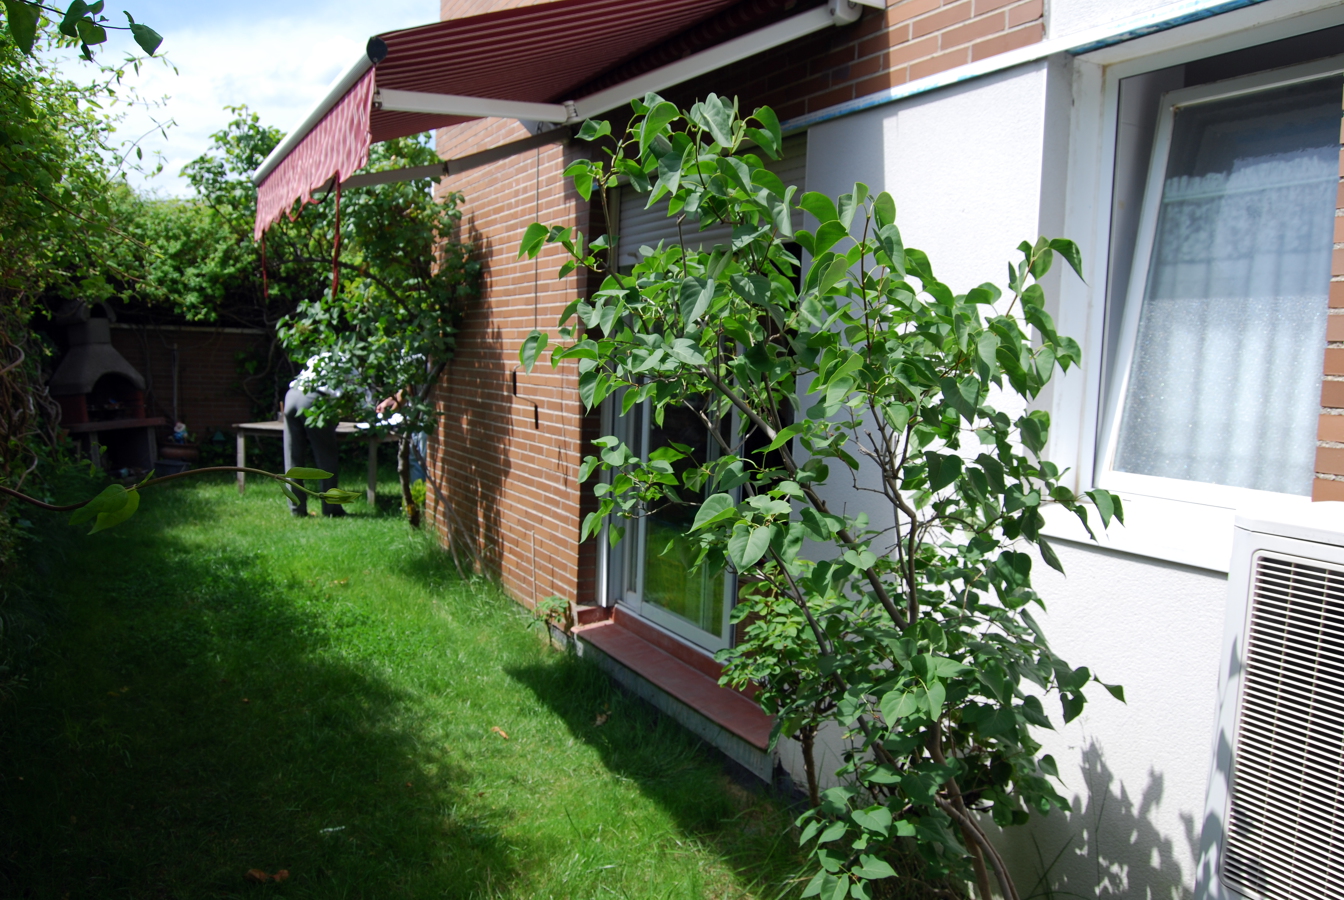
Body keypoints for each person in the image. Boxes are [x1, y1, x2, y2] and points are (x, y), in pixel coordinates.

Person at [284, 355, 346, 518]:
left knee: (293, 456)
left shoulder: (320, 356)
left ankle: (296, 510)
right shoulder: (349, 363)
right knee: (326, 456)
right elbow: (359, 397)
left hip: (292, 394)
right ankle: (331, 509)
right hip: (314, 399)